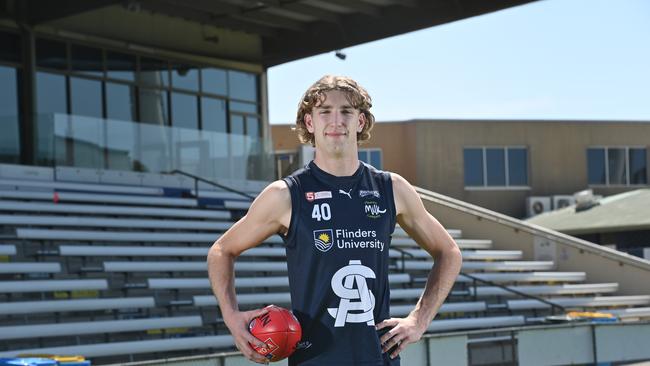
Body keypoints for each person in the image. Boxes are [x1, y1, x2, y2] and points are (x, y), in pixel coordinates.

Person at [208, 75, 462, 365]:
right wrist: (231, 317)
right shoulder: (285, 195)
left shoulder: (392, 189)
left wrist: (419, 319)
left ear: (361, 122)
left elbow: (449, 252)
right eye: (325, 111)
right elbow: (221, 251)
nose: (336, 120)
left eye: (347, 111)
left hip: (378, 359)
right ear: (309, 123)